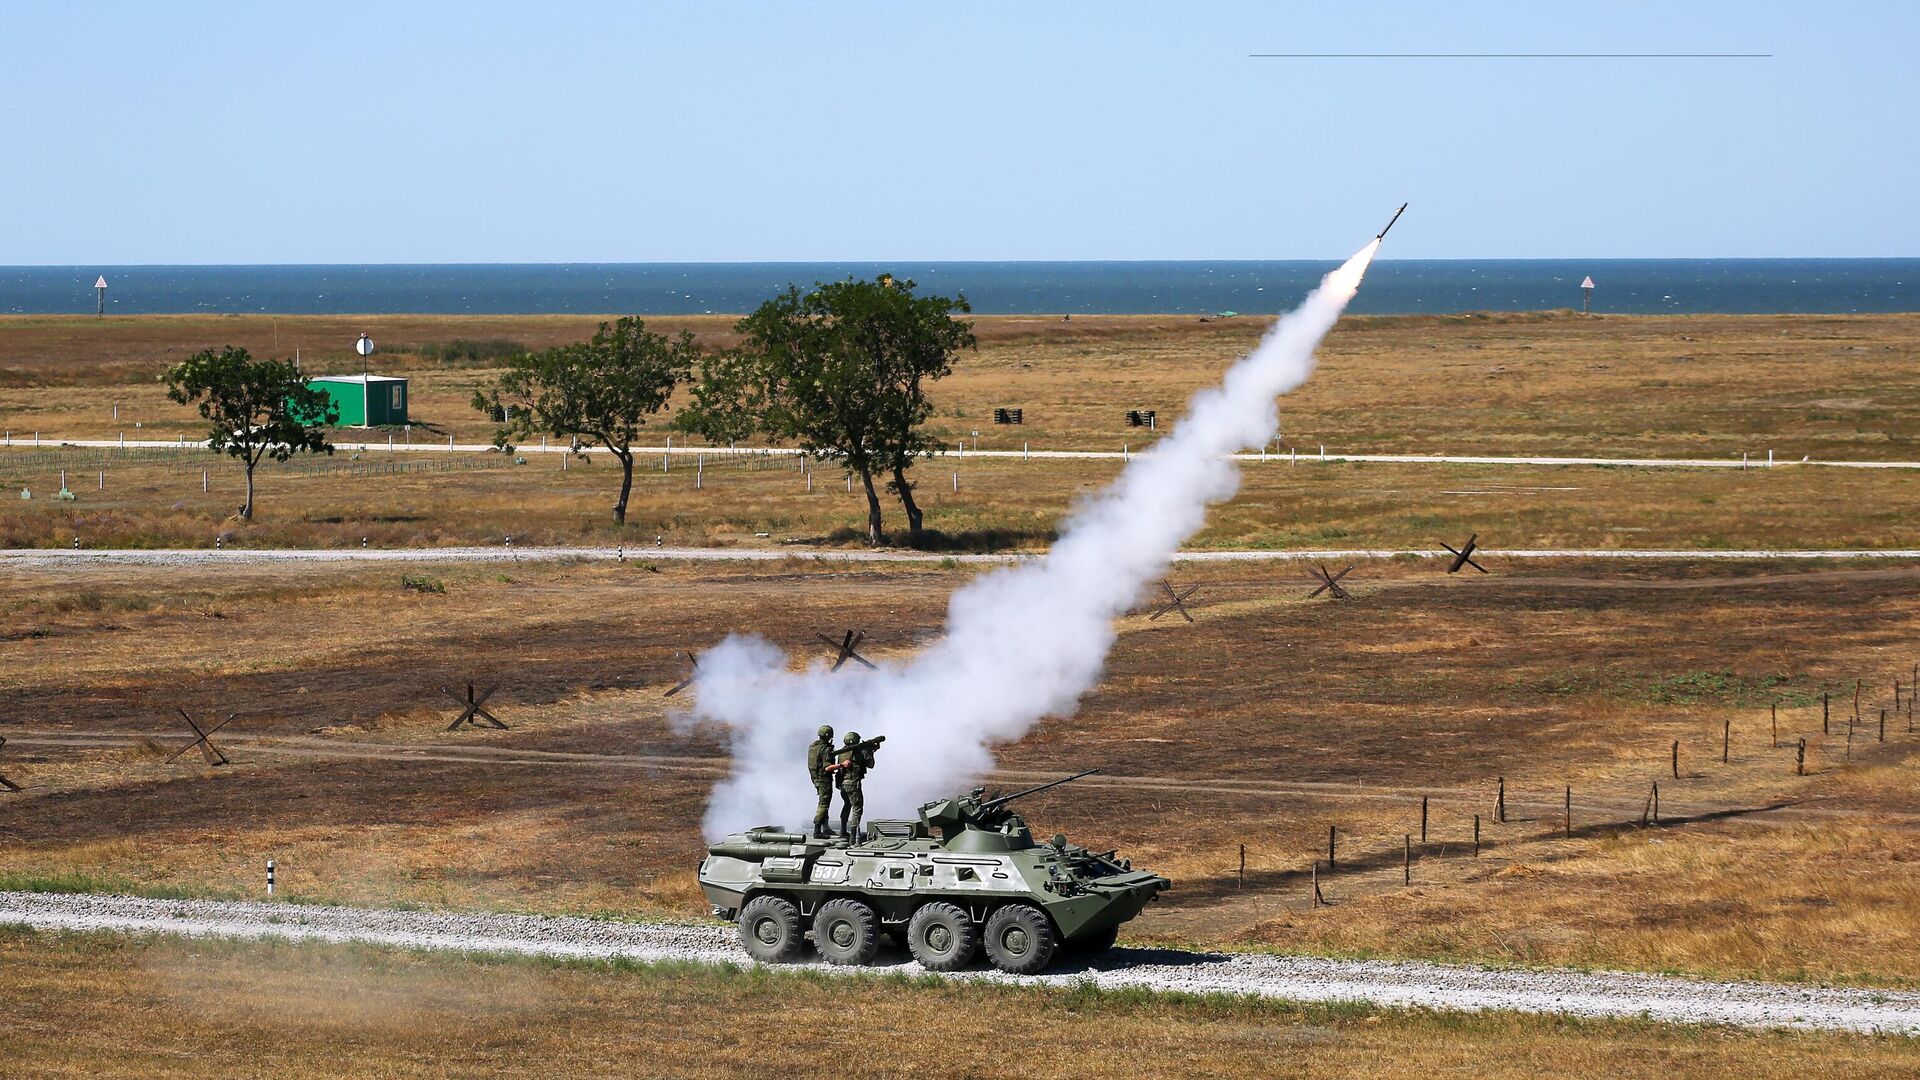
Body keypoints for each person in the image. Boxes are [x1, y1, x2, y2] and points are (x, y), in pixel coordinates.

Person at [834, 730, 880, 840]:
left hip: (843, 785)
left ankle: (843, 831)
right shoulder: (860, 752)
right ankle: (854, 837)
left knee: (847, 805)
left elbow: (859, 760)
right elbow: (870, 764)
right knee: (857, 808)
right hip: (853, 784)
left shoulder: (842, 752)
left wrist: (872, 749)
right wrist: (870, 751)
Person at [806, 725, 835, 839]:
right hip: (824, 779)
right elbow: (827, 767)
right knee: (824, 804)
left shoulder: (813, 746)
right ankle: (817, 830)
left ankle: (826, 827)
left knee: (824, 802)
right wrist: (841, 765)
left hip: (815, 778)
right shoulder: (825, 749)